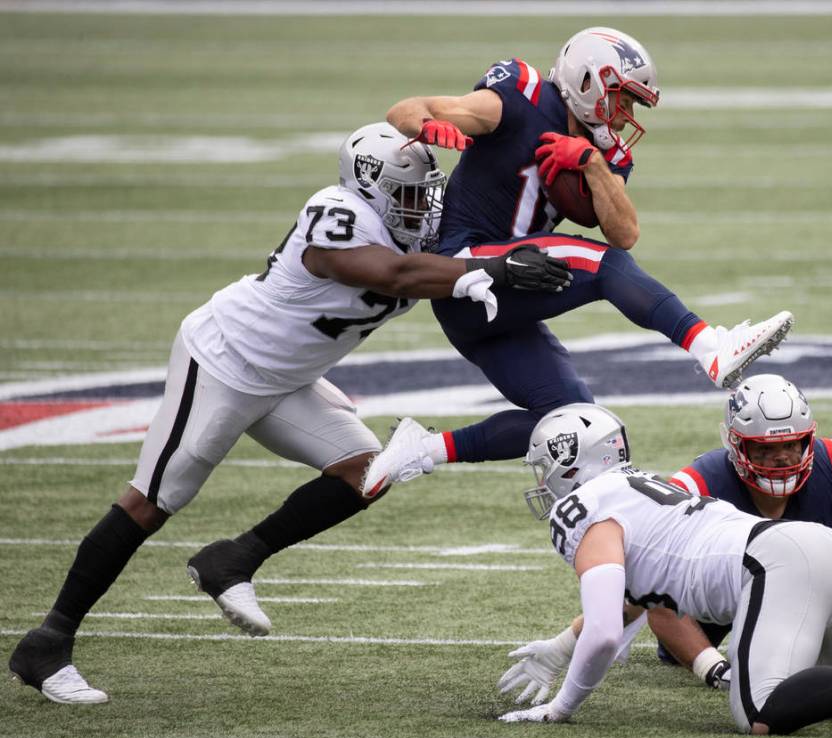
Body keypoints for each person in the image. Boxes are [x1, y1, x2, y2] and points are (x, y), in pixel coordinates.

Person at [6, 122, 571, 705]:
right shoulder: (335, 213)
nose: (420, 205)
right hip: (225, 360)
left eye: (425, 191)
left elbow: (475, 244)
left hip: (288, 378)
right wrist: (492, 272)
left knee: (367, 471)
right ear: (370, 185)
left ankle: (233, 559)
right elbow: (391, 275)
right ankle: (48, 642)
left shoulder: (421, 228)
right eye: (407, 192)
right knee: (150, 503)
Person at [362, 27, 793, 498]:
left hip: (510, 292)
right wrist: (427, 126)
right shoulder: (520, 96)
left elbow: (625, 231)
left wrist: (590, 161)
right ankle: (710, 345)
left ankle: (422, 449)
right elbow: (403, 110)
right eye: (622, 99)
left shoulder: (604, 150)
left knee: (571, 420)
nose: (626, 116)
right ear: (588, 83)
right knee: (603, 267)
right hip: (463, 272)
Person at [499, 376, 832, 726]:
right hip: (821, 557)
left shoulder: (585, 510)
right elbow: (638, 600)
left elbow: (605, 630)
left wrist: (560, 708)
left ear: (569, 465)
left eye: (545, 469)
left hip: (778, 564)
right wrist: (559, 646)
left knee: (762, 711)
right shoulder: (648, 489)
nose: (544, 484)